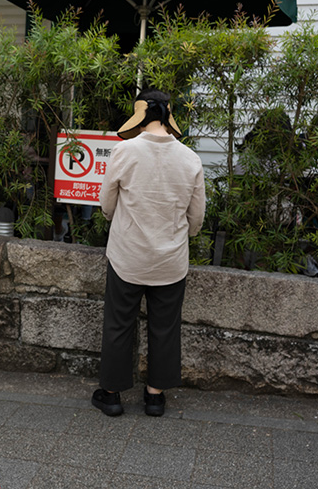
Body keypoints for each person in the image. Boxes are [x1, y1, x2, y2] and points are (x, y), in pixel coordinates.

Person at [94, 88, 206, 417]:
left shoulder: (124, 152)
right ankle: (155, 396)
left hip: (128, 255)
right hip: (171, 260)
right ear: (169, 116)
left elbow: (107, 205)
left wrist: (121, 222)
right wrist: (184, 234)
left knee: (118, 324)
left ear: (140, 115)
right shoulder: (190, 159)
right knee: (165, 326)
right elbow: (196, 217)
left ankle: (111, 394)